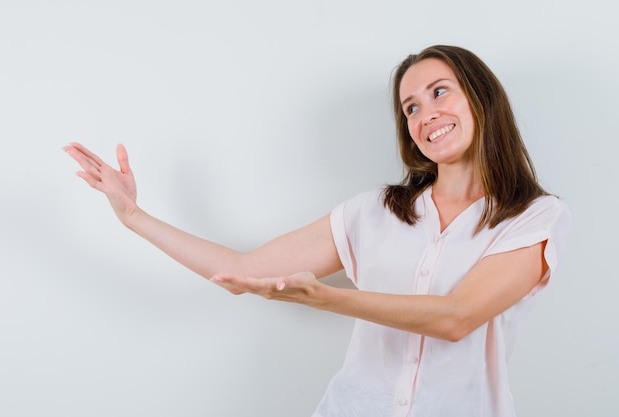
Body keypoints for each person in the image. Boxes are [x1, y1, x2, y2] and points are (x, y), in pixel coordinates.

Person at [63, 44, 571, 417]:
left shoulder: (533, 217)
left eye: (440, 92)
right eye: (411, 107)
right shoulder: (373, 211)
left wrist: (327, 299)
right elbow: (240, 270)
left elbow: (457, 318)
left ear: (481, 99)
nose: (425, 114)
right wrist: (134, 216)